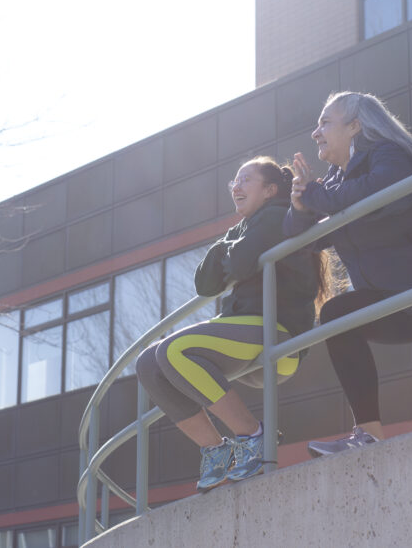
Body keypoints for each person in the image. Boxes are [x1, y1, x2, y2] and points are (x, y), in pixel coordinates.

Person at [284, 90, 412, 456]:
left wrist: (315, 196)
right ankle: (369, 435)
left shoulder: (391, 155)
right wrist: (300, 204)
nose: (315, 132)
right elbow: (303, 239)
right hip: (404, 297)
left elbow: (378, 193)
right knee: (337, 316)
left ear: (355, 126)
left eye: (325, 122)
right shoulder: (334, 182)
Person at [136, 156, 325, 490]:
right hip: (245, 336)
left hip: (278, 336)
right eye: (233, 181)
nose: (236, 186)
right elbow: (205, 284)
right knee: (148, 365)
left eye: (245, 180)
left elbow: (236, 265)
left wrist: (228, 251)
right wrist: (228, 246)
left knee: (173, 351)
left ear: (269, 190)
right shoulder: (242, 228)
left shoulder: (275, 215)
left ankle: (254, 435)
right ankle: (215, 449)